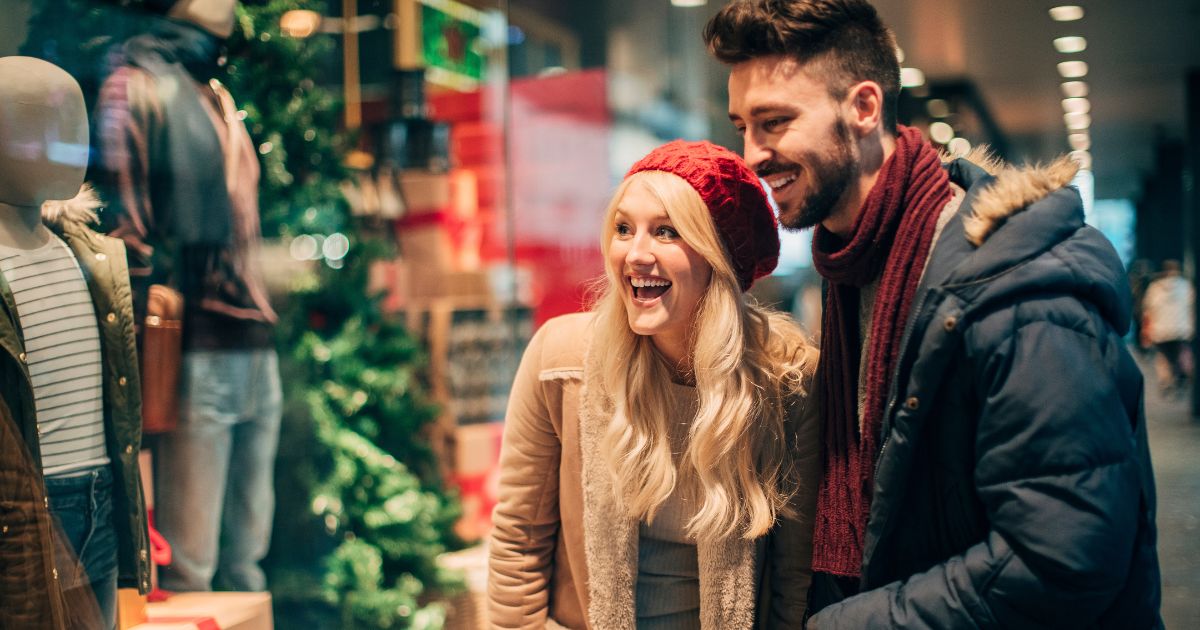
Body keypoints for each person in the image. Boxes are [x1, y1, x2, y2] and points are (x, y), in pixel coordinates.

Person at [706, 1, 1162, 627]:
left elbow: (1063, 558)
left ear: (864, 108)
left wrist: (850, 622)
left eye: (775, 122)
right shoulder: (853, 265)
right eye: (742, 128)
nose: (752, 154)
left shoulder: (1017, 290)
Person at [488, 140, 820, 628]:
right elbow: (519, 543)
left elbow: (796, 582)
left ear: (720, 256)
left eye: (666, 231)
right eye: (623, 228)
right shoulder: (560, 362)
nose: (635, 254)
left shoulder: (787, 380)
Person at [94, 0, 282, 592]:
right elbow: (126, 234)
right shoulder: (136, 88)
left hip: (255, 342)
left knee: (248, 561)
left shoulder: (219, 97)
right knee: (190, 565)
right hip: (194, 345)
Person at [0, 56, 150, 629]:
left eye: (78, 124)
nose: (74, 142)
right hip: (25, 513)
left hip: (101, 497)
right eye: (45, 124)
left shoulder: (87, 253)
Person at [1142, 259, 1194, 394]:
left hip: (1160, 330)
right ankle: (1184, 376)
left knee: (1163, 357)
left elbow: (1148, 310)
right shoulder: (1187, 286)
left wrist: (1146, 330)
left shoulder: (1155, 287)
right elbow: (1192, 307)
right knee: (1182, 353)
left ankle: (1166, 381)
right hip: (1182, 329)